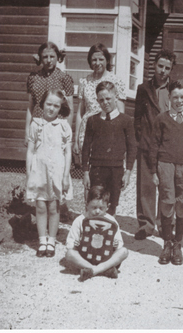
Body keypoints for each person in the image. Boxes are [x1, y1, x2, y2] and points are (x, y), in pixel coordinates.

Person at [150, 79, 183, 266]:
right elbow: (154, 145)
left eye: (182, 97)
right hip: (165, 164)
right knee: (166, 203)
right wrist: (153, 171)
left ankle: (177, 244)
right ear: (169, 98)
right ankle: (166, 244)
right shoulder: (161, 119)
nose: (179, 100)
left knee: (181, 204)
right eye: (175, 97)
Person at [133, 49, 177, 240]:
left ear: (171, 69)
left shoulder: (175, 88)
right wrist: (141, 138)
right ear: (154, 65)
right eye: (160, 66)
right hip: (148, 142)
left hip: (168, 144)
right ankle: (146, 224)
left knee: (167, 185)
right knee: (147, 185)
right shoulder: (143, 89)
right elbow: (137, 117)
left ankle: (165, 223)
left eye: (167, 68)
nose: (163, 71)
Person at [26, 89, 73, 258]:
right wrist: (29, 174)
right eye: (49, 104)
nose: (51, 108)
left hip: (58, 171)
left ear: (61, 108)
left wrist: (66, 175)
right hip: (39, 171)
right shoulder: (36, 124)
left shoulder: (63, 125)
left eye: (56, 105)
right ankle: (42, 240)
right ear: (43, 104)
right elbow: (30, 151)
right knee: (40, 205)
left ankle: (51, 240)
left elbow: (68, 152)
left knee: (54, 206)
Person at [82, 81, 137, 216]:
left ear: (115, 97)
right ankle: (93, 232)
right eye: (101, 100)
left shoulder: (126, 120)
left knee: (111, 204)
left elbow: (132, 147)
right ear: (97, 100)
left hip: (116, 170)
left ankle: (107, 233)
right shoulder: (92, 120)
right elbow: (86, 147)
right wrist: (85, 172)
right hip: (97, 169)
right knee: (95, 202)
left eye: (108, 99)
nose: (105, 102)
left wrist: (128, 172)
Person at [73, 43, 129, 163]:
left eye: (101, 59)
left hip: (109, 130)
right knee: (89, 170)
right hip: (87, 131)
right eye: (94, 59)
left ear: (107, 60)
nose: (97, 63)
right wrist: (76, 139)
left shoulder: (116, 81)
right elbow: (80, 113)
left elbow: (121, 113)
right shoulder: (84, 82)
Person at [65, 185, 128, 282]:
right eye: (94, 207)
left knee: (124, 251)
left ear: (107, 207)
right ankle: (104, 270)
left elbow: (119, 243)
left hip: (105, 258)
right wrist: (75, 245)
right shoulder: (80, 220)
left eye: (101, 208)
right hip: (84, 258)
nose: (97, 211)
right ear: (86, 205)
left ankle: (92, 271)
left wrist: (115, 245)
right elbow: (70, 242)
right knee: (69, 253)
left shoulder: (112, 221)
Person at [26, 42, 74, 145]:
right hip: (38, 125)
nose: (48, 60)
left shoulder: (64, 78)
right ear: (40, 58)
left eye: (52, 56)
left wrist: (67, 131)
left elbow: (70, 107)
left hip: (57, 126)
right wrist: (27, 132)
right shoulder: (33, 78)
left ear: (57, 57)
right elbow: (30, 106)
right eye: (45, 57)